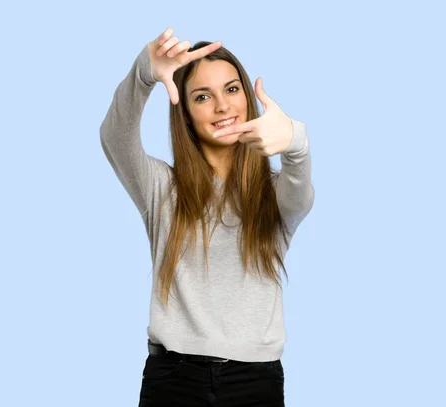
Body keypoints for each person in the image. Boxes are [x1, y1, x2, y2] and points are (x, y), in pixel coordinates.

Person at [99, 27, 314, 406]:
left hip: (255, 379)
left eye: (232, 90)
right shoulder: (162, 188)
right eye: (203, 96)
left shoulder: (275, 192)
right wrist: (144, 72)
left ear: (248, 98)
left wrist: (296, 142)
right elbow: (115, 136)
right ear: (185, 112)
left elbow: (301, 193)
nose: (222, 106)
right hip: (173, 379)